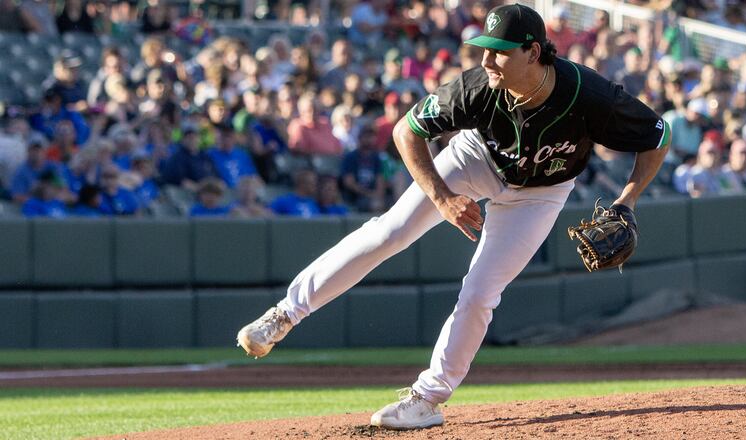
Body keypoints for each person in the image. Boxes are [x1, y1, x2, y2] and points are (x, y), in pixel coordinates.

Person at [236, 4, 670, 430]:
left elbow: (657, 135)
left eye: (498, 51)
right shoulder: (477, 86)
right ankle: (286, 313)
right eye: (484, 48)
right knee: (391, 230)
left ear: (533, 52)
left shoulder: (588, 95)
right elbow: (407, 131)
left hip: (541, 193)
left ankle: (426, 400)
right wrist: (442, 197)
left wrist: (626, 201)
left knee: (482, 291)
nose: (486, 59)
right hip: (475, 157)